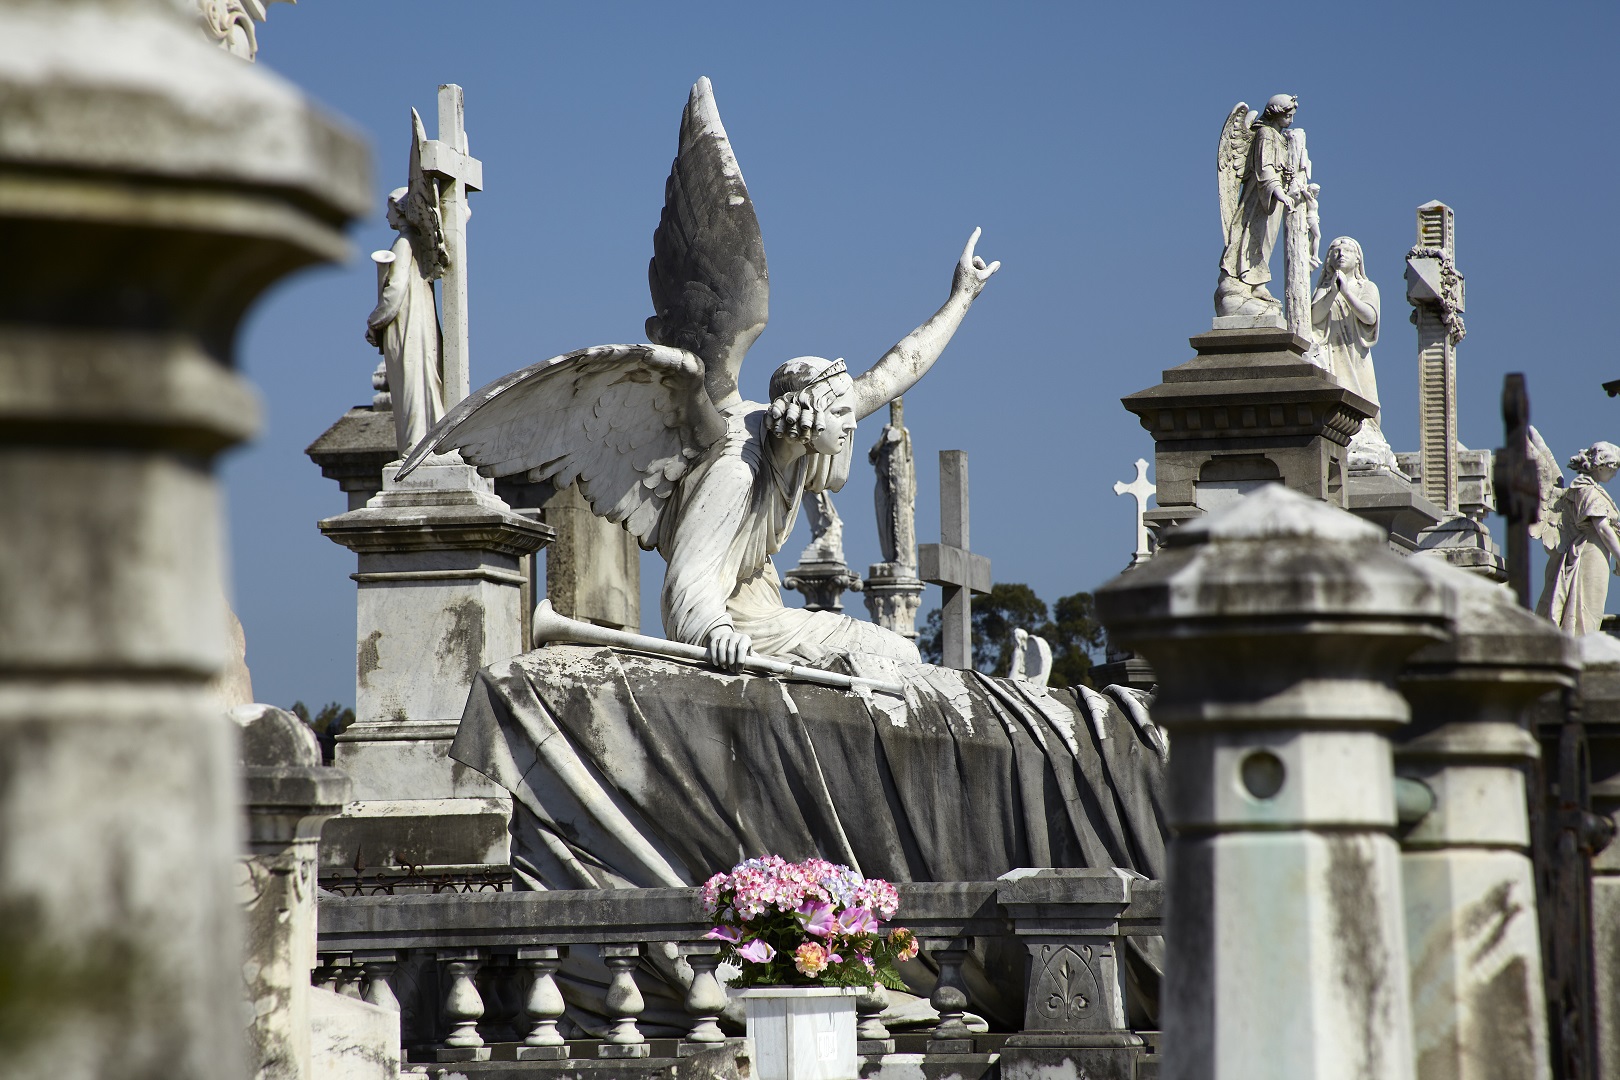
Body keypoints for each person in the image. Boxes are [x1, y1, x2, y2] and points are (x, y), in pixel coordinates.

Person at [662, 233, 998, 671]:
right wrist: (717, 633)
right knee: (897, 656)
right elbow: (685, 580)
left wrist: (962, 296)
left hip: (767, 614)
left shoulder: (794, 446)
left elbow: (896, 370)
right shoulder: (736, 471)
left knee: (901, 654)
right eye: (841, 412)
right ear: (810, 414)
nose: (853, 422)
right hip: (738, 625)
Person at [365, 187, 445, 454]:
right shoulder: (420, 243)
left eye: (389, 207)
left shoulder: (403, 242)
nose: (386, 214)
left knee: (409, 384)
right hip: (420, 322)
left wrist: (374, 321)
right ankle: (424, 441)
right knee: (421, 381)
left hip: (405, 323)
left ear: (399, 210)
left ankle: (413, 447)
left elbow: (394, 291)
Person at [1311, 237, 1396, 468]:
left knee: (1364, 401)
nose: (1340, 253)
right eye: (1335, 250)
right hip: (1332, 353)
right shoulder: (1324, 287)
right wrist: (1331, 292)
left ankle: (1364, 432)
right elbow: (1314, 317)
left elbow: (1370, 317)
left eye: (1347, 249)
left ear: (1358, 258)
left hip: (1355, 355)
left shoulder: (1367, 287)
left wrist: (1346, 293)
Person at [1218, 95, 1300, 314]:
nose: (1291, 119)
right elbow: (1265, 169)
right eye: (1287, 114)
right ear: (1276, 112)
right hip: (1260, 198)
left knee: (1267, 240)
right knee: (1254, 236)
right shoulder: (1264, 134)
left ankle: (1257, 283)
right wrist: (1279, 191)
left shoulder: (1279, 138)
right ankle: (1246, 280)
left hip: (1273, 199)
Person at [1538, 442, 1620, 635]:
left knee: (1593, 609)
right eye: (1614, 468)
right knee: (1586, 611)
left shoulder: (1594, 490)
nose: (1615, 474)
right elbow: (1603, 529)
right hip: (1589, 555)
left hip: (1598, 554)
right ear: (1601, 466)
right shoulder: (1586, 489)